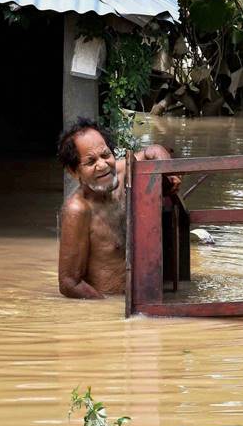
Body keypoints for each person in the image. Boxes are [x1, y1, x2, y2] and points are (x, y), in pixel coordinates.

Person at [56, 118, 180, 299]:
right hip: (111, 302)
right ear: (74, 172)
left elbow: (154, 151)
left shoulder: (123, 172)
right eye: (91, 162)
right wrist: (107, 308)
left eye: (105, 155)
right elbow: (69, 283)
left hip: (143, 297)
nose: (102, 165)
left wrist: (167, 174)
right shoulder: (78, 210)